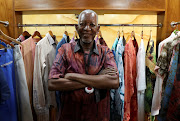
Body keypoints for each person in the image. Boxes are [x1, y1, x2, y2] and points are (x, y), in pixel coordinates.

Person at [48, 9, 119, 121]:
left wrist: (72, 76)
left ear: (97, 29)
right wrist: (98, 78)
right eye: (82, 24)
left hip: (99, 116)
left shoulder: (106, 52)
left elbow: (114, 82)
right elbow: (52, 83)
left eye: (92, 25)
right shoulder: (65, 50)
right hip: (70, 116)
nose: (87, 28)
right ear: (76, 28)